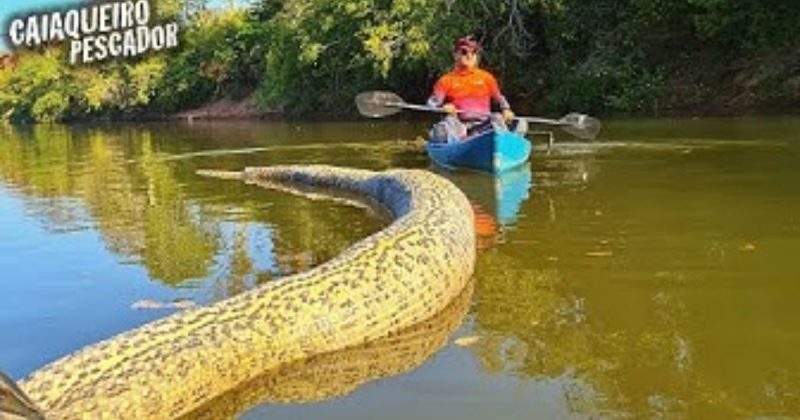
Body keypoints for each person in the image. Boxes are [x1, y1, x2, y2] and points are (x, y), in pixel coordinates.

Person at [427, 35, 523, 143]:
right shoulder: (445, 80)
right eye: (464, 52)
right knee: (443, 128)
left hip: (483, 126)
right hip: (458, 126)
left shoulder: (487, 78)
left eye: (474, 52)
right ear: (455, 55)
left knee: (499, 118)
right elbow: (431, 104)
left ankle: (506, 142)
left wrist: (506, 109)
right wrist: (443, 107)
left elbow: (499, 98)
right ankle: (457, 142)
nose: (469, 55)